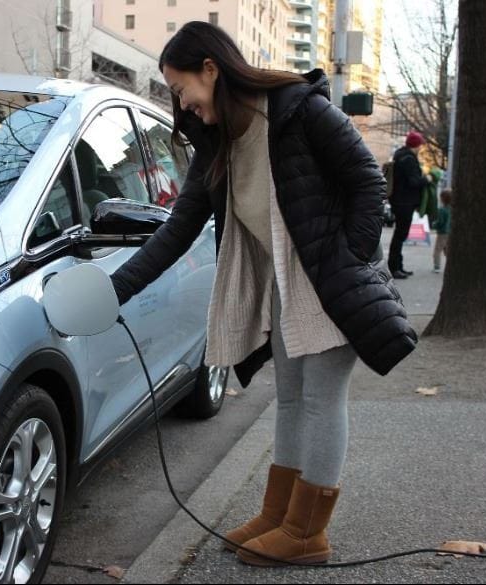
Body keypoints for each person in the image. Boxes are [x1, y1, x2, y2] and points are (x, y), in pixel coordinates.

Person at [109, 22, 418, 567]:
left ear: (211, 69)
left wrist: (345, 262)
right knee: (293, 400)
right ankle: (281, 516)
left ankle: (308, 534)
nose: (181, 102)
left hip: (325, 281)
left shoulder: (300, 109)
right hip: (283, 283)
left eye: (181, 88)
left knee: (322, 401)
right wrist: (114, 291)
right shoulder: (218, 144)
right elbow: (177, 229)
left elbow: (368, 181)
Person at [388, 131, 432, 279]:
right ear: (416, 145)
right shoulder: (409, 159)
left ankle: (397, 266)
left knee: (399, 235)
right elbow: (414, 182)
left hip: (399, 201)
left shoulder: (400, 155)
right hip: (404, 202)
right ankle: (394, 268)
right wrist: (427, 179)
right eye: (420, 145)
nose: (421, 148)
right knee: (400, 235)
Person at [433, 189, 452, 273]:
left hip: (442, 233)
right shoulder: (452, 209)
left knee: (437, 250)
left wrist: (434, 225)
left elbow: (440, 222)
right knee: (447, 250)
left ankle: (437, 266)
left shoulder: (442, 210)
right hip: (450, 232)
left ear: (442, 199)